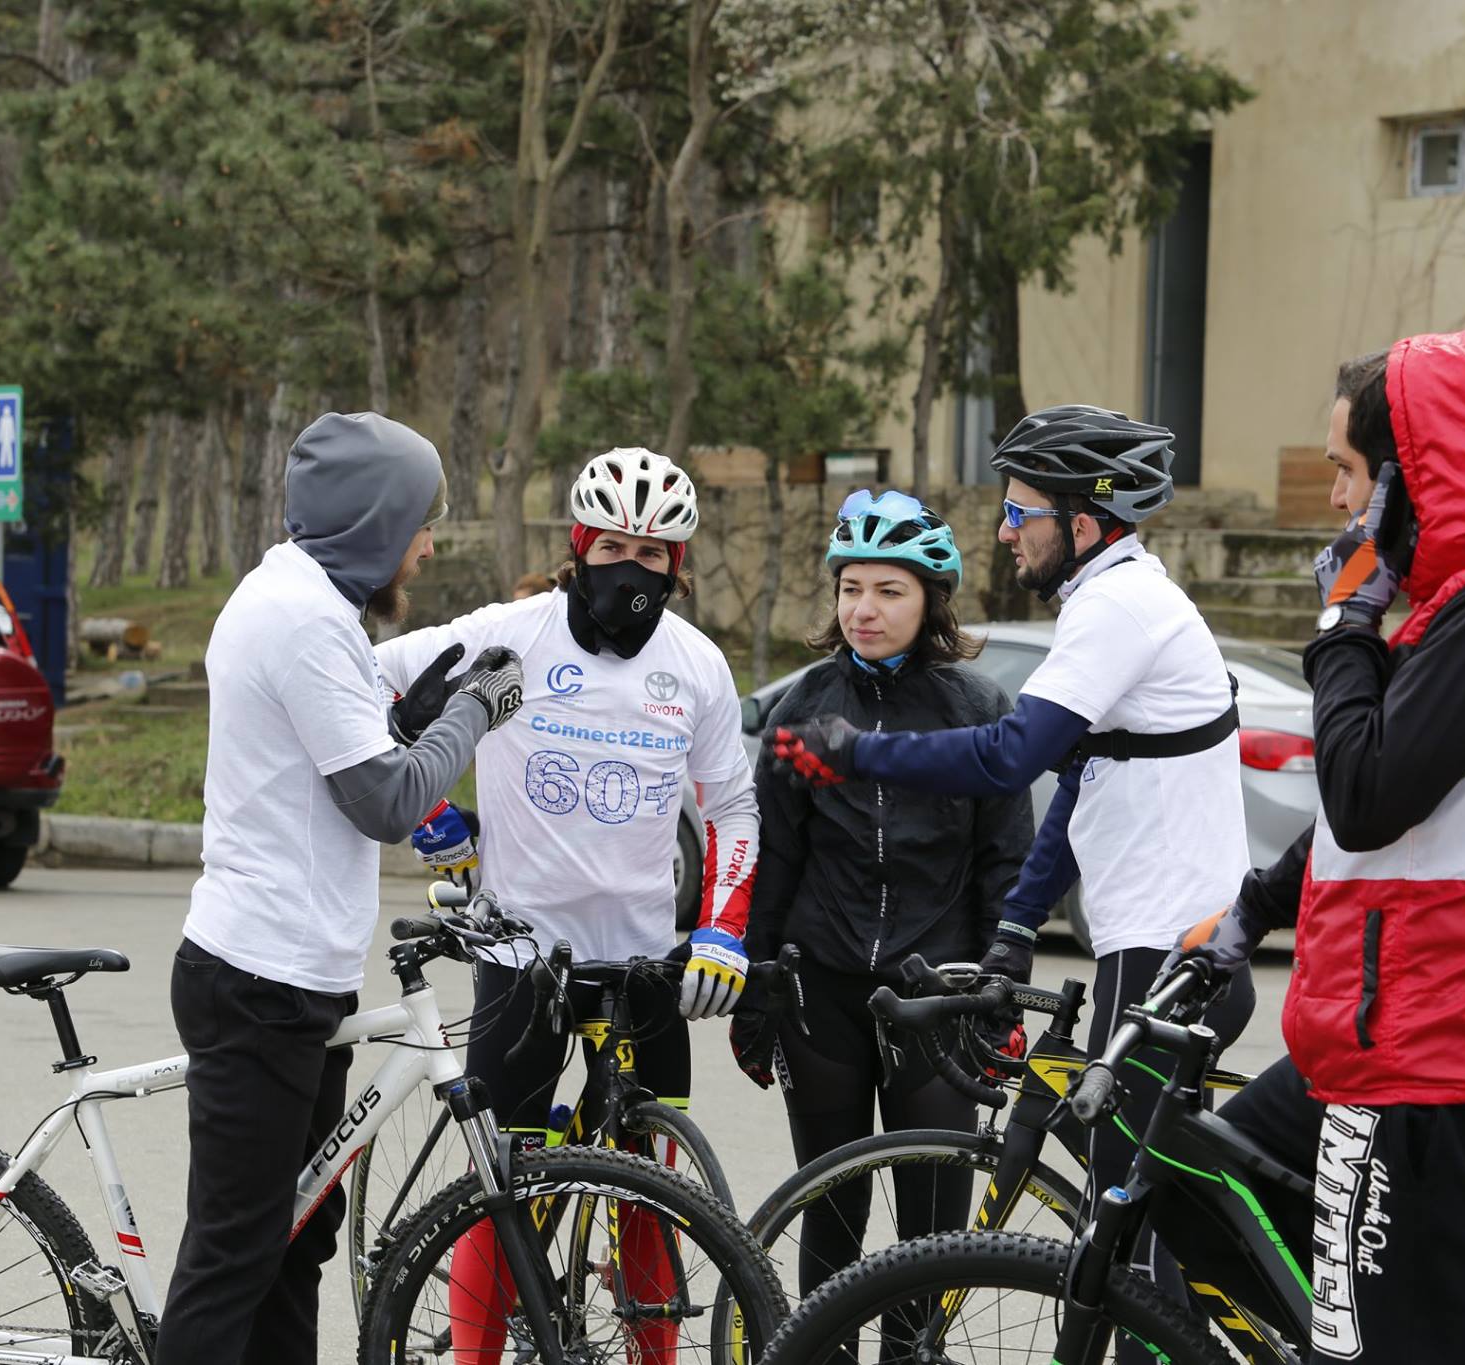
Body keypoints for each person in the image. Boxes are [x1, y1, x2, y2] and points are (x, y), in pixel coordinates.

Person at [1170, 330, 1465, 1364]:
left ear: (1411, 475)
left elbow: (1365, 792)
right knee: (1197, 1186)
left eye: (1346, 471)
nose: (1336, 501)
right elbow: (1390, 820)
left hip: (1449, 1059)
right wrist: (1251, 912)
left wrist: (1341, 627)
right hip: (1393, 1038)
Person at [772, 405, 1256, 1336]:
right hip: (1168, 948)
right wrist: (1017, 931)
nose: (1004, 530)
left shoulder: (1116, 607)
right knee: (1132, 1212)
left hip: (1163, 951)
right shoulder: (1117, 598)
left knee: (1122, 1239)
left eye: (1020, 511)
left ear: (1084, 522)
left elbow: (1008, 758)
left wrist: (861, 750)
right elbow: (1079, 786)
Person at [376, 445, 759, 1365]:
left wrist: (722, 929)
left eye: (653, 553)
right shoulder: (512, 633)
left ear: (677, 565)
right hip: (522, 957)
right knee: (502, 1189)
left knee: (650, 1194)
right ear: (580, 545)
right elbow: (366, 681)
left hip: (643, 963)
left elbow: (733, 808)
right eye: (614, 546)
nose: (632, 568)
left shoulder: (697, 664)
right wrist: (428, 810)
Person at [155, 412, 524, 1365]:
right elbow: (386, 801)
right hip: (260, 980)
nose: (428, 547)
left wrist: (421, 712)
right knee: (237, 1255)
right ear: (374, 522)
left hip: (294, 977)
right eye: (421, 525)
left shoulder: (306, 600)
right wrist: (473, 713)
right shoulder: (305, 620)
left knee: (292, 1248)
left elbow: (350, 750)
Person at [735, 487, 1033, 1307]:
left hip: (938, 995)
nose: (863, 609)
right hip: (821, 991)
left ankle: (914, 1359)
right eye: (850, 588)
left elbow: (1006, 861)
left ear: (930, 599)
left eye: (888, 590)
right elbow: (775, 857)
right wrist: (758, 984)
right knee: (831, 1216)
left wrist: (1000, 989)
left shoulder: (977, 708)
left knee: (934, 1233)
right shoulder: (803, 705)